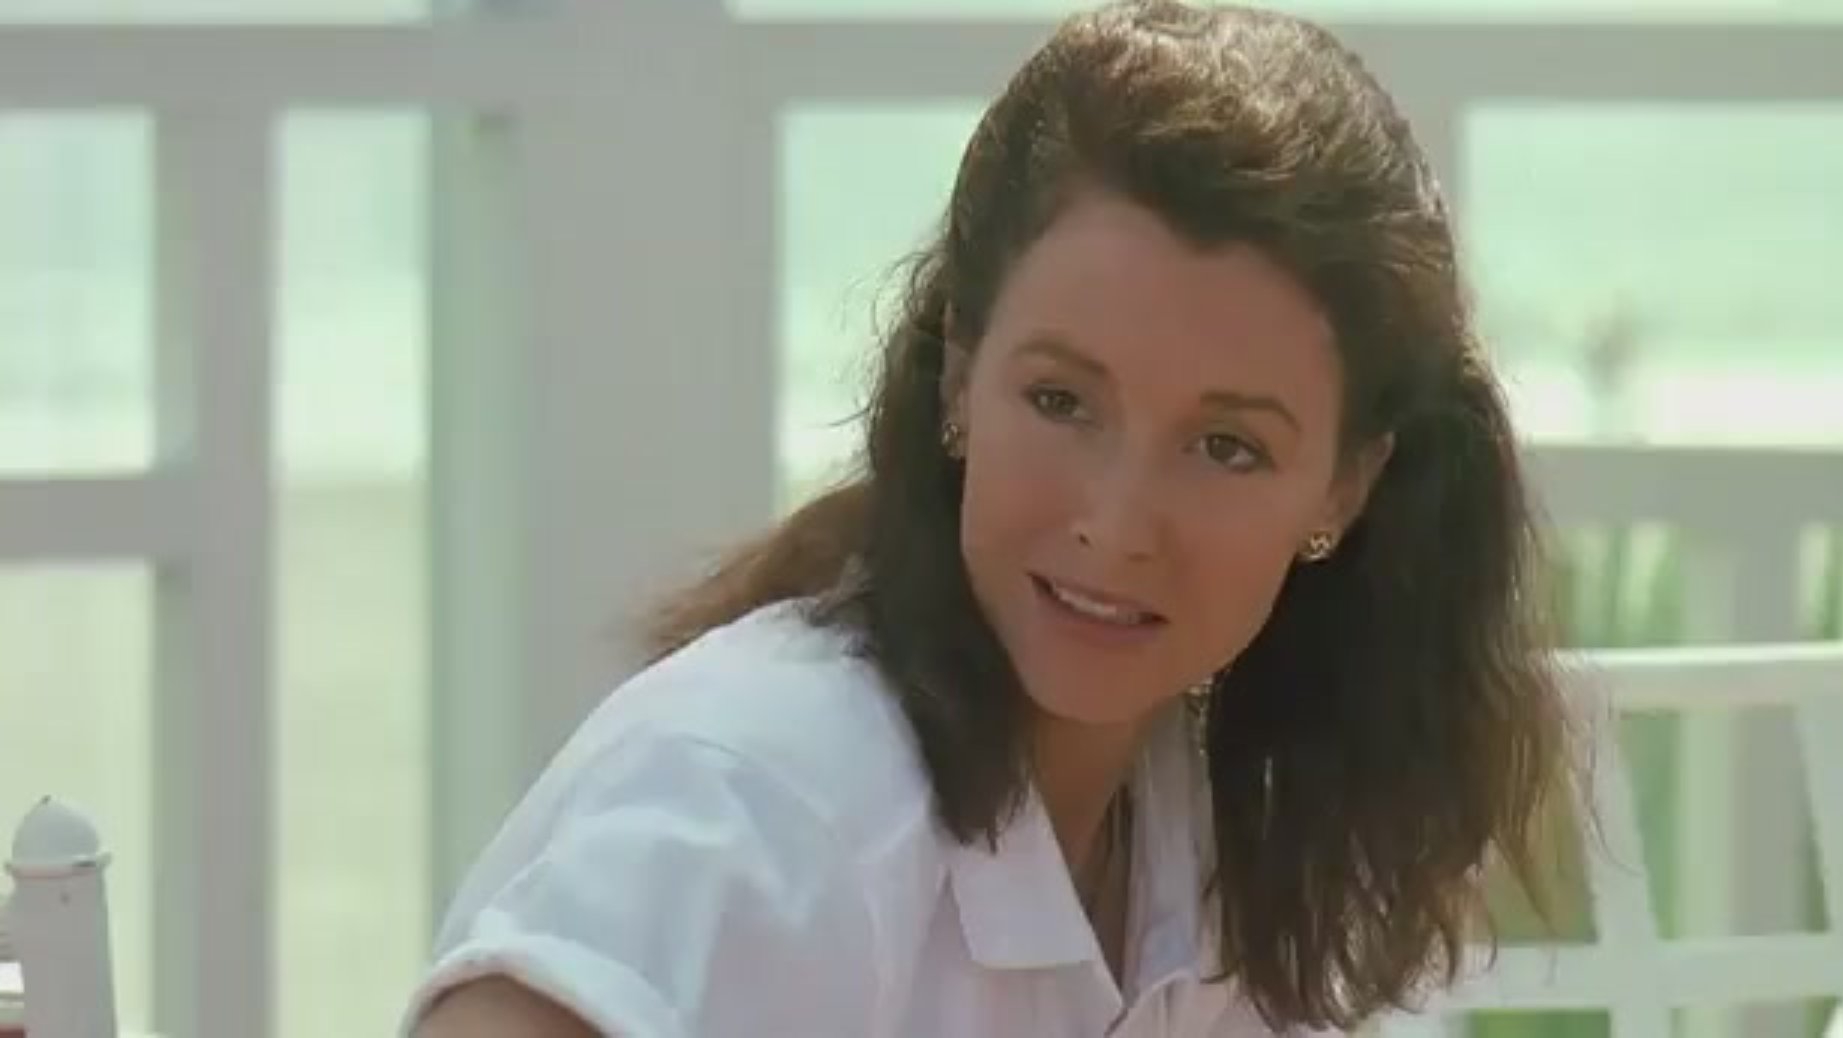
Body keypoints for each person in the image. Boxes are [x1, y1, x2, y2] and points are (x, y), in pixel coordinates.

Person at [405, 1, 1582, 1034]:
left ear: (1344, 486)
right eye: (1062, 401)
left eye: (1227, 447)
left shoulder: (1219, 831)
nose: (1118, 524)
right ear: (960, 377)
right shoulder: (763, 798)